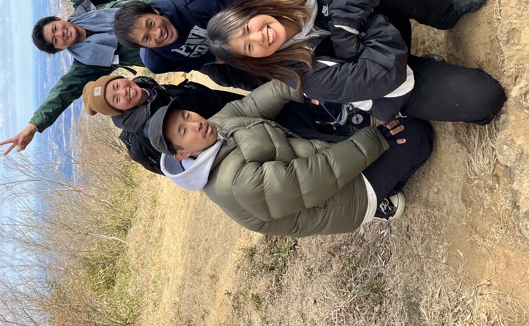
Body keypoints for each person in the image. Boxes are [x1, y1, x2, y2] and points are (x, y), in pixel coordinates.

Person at [205, 0, 506, 125]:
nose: (259, 36)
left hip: (376, 43)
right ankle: (425, 70)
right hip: (391, 84)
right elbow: (382, 74)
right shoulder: (301, 76)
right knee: (487, 99)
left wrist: (346, 29)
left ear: (252, 9)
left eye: (248, 27)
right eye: (249, 47)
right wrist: (363, 25)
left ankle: (445, 13)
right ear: (254, 60)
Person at [146, 81, 435, 236]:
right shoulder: (234, 183)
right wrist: (377, 139)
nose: (195, 123)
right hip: (343, 198)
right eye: (184, 131)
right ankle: (379, 203)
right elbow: (315, 177)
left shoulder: (215, 126)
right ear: (181, 153)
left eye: (186, 115)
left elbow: (251, 104)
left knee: (319, 98)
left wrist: (297, 86)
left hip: (318, 158)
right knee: (415, 133)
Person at [0, 0, 151, 155]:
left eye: (56, 28)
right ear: (60, 48)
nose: (61, 34)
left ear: (60, 20)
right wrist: (34, 125)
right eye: (56, 40)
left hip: (166, 9)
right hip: (170, 51)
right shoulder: (87, 65)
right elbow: (61, 95)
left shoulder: (88, 6)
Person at [111, 0, 268, 90]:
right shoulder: (157, 62)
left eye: (151, 23)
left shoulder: (193, 4)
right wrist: (214, 59)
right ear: (144, 46)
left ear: (154, 10)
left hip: (239, 27)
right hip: (209, 57)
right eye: (146, 38)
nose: (157, 33)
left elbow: (249, 6)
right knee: (231, 77)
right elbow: (190, 64)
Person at [81, 73, 243, 174]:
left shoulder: (146, 85)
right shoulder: (145, 137)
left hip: (224, 103)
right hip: (227, 137)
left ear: (121, 78)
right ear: (117, 111)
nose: (124, 92)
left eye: (116, 85)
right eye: (116, 99)